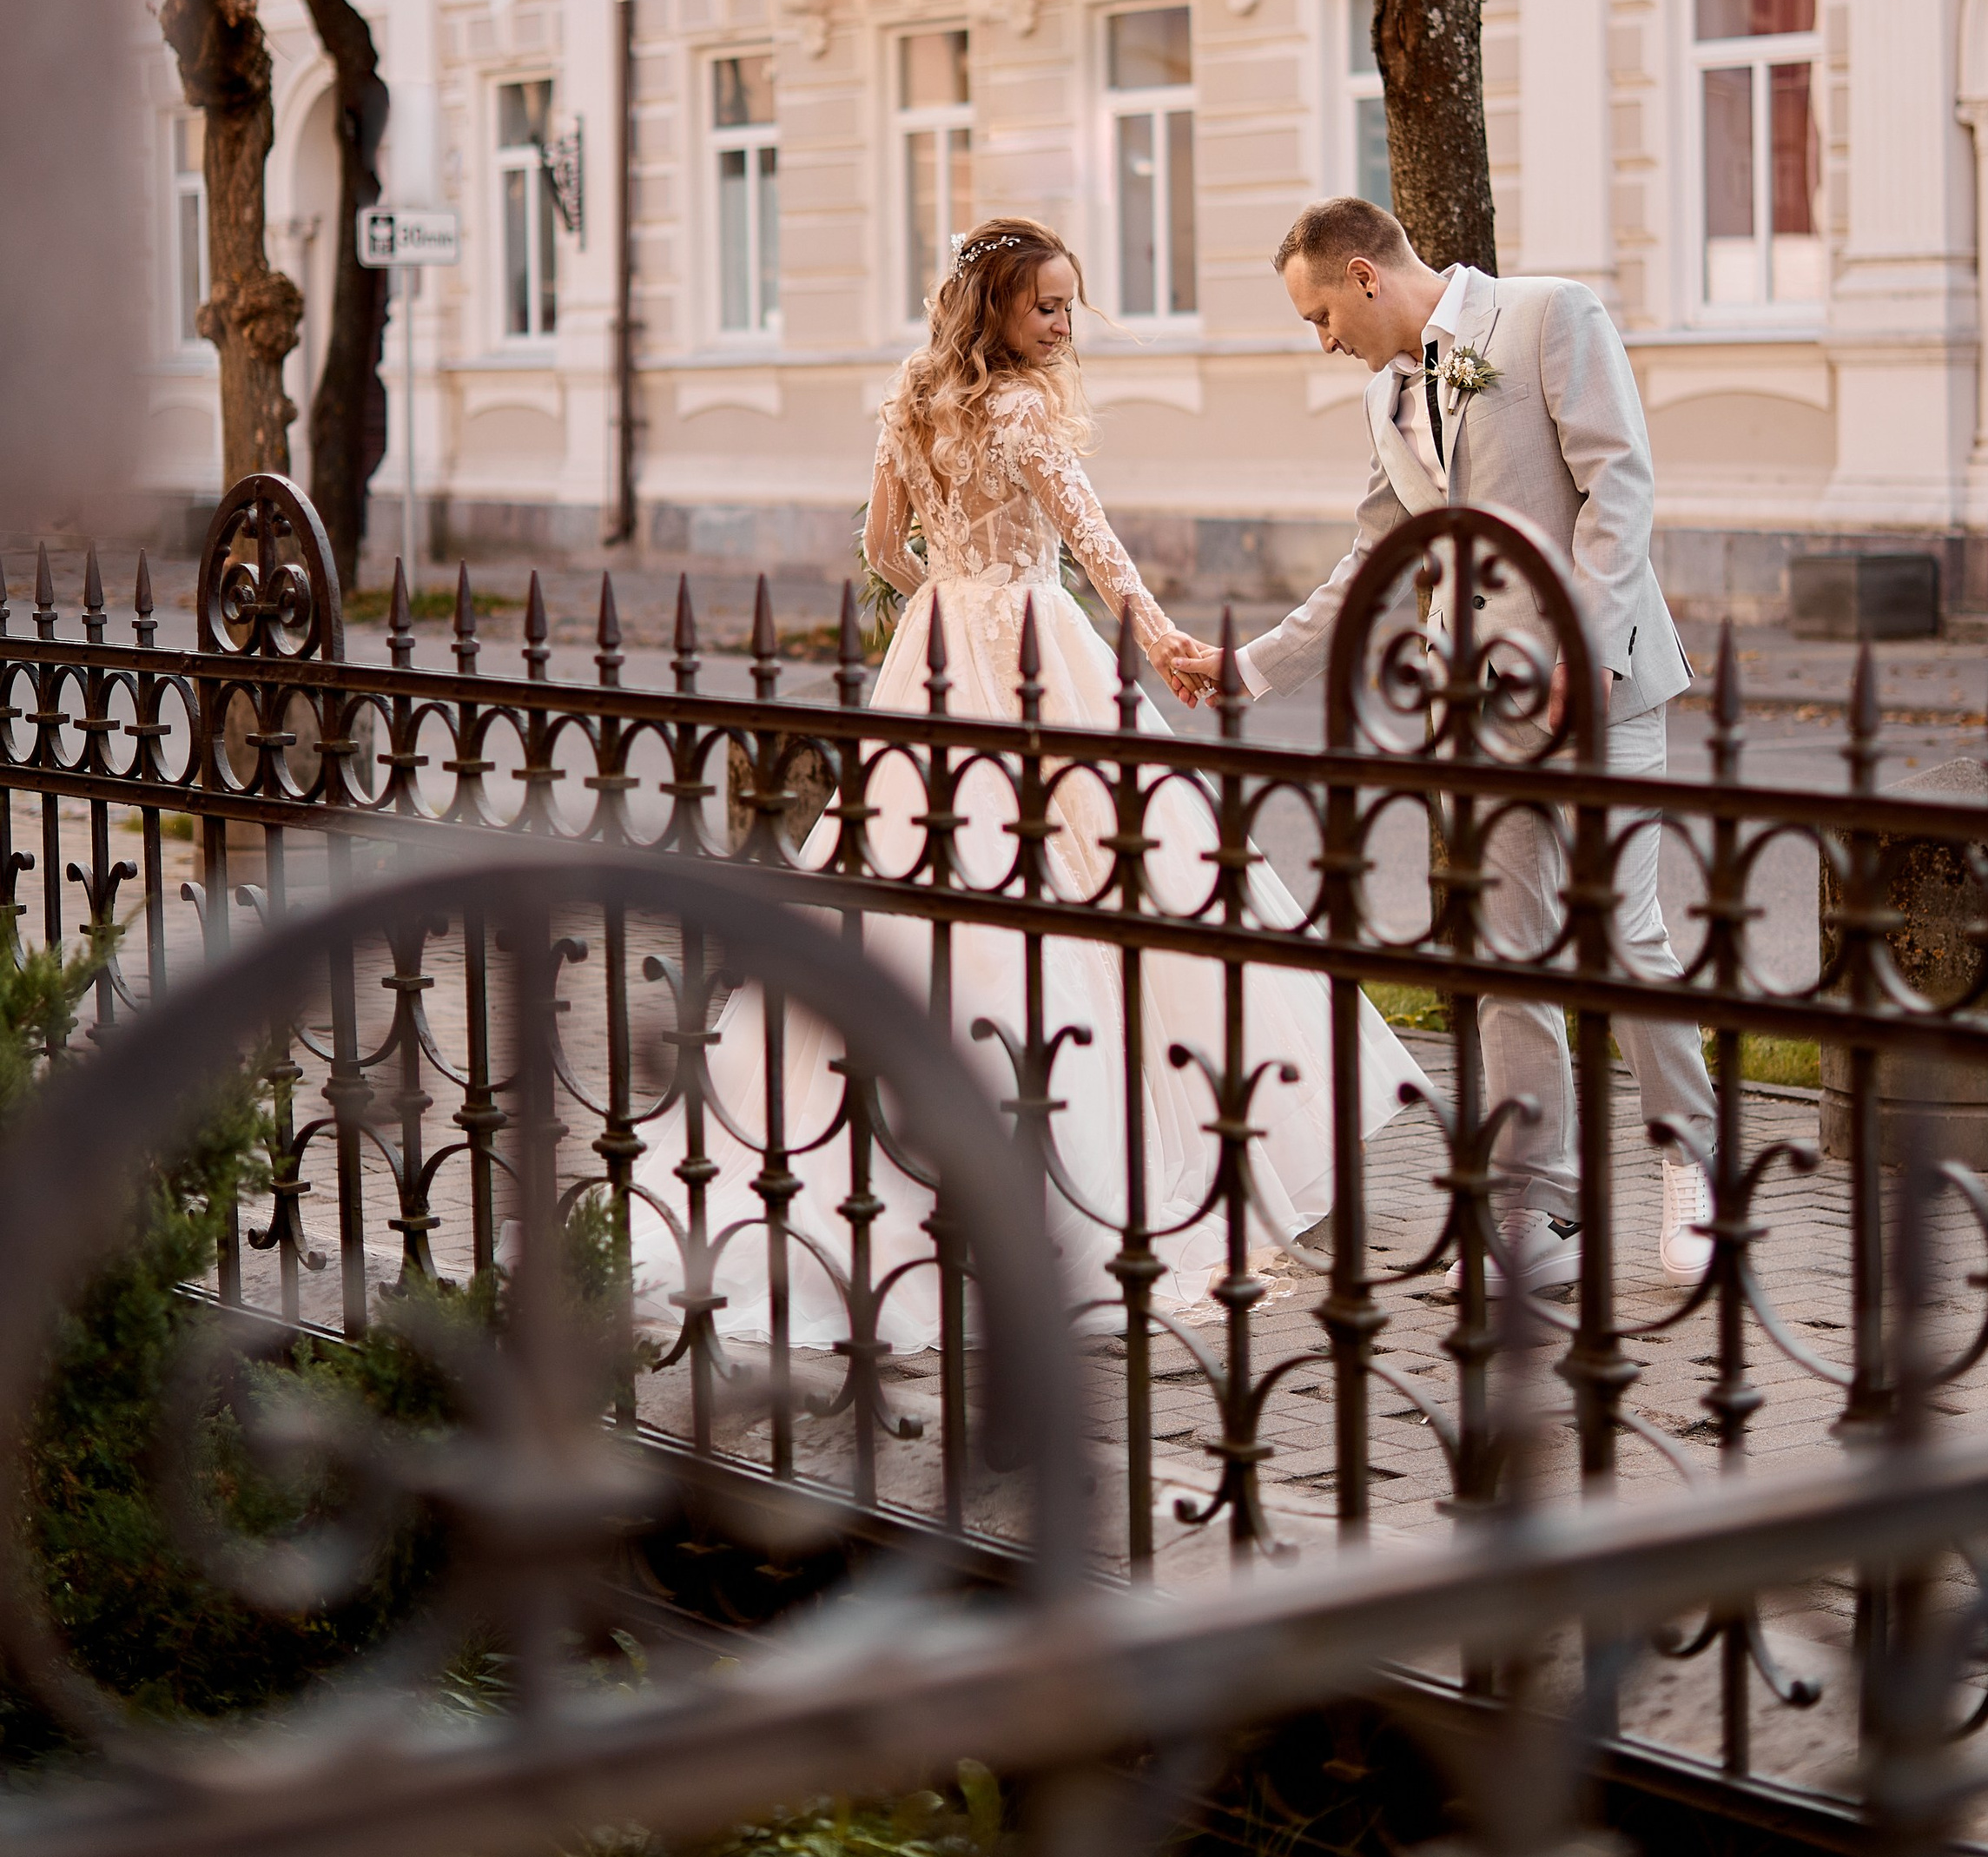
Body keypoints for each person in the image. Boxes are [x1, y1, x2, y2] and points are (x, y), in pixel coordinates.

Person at [637, 217, 1424, 1354]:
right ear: (994, 309)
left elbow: (882, 547)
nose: (1063, 325)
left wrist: (943, 596)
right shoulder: (1017, 412)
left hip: (938, 646)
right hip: (1029, 646)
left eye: (1068, 304)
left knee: (920, 865)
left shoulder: (911, 401)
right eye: (1045, 305)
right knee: (1109, 868)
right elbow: (1098, 550)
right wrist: (1155, 641)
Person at [1159, 196, 1714, 1298]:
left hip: (1597, 686)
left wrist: (1588, 644)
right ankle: (1536, 1207)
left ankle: (1692, 1165)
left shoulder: (1549, 316)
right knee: (1505, 956)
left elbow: (1618, 482)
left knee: (1622, 934)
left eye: (1321, 316)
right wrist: (1249, 667)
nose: (1322, 342)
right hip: (1476, 706)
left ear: (1363, 276)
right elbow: (1371, 558)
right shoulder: (1385, 396)